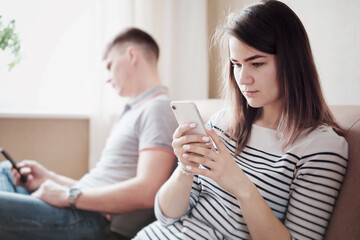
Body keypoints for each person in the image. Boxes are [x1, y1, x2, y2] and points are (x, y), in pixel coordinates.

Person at [134, 1, 348, 239]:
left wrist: (241, 185)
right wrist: (185, 167)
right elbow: (167, 216)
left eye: (256, 63)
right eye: (236, 64)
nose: (243, 79)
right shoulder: (222, 123)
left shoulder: (321, 148)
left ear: (292, 62)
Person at [0, 27, 178, 240]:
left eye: (110, 66)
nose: (108, 78)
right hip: (82, 206)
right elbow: (98, 186)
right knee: (6, 172)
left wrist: (68, 196)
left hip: (94, 220)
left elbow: (149, 191)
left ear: (131, 55)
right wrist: (49, 178)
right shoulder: (135, 110)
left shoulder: (158, 108)